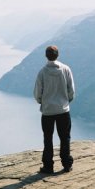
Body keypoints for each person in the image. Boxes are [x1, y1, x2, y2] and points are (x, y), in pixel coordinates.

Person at [34, 45, 75, 174]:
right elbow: (71, 90)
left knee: (48, 138)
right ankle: (67, 164)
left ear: (46, 56)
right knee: (65, 137)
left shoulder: (42, 72)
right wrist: (66, 100)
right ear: (58, 55)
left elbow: (37, 93)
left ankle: (48, 166)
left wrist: (43, 102)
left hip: (47, 111)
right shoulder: (66, 69)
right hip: (63, 110)